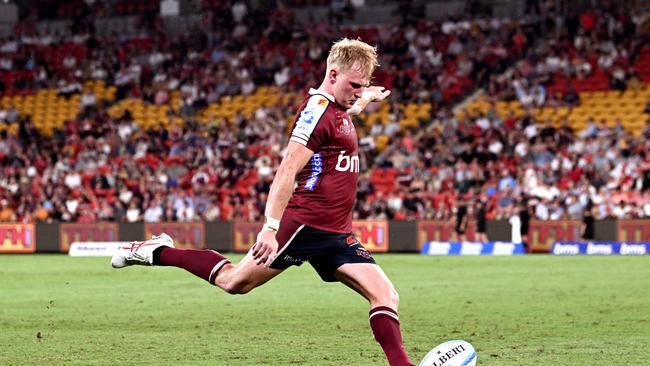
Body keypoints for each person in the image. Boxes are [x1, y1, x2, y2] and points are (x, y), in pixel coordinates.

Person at [111, 38, 413, 366]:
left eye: (363, 85)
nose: (357, 91)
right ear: (333, 74)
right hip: (304, 225)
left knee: (385, 295)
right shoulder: (316, 113)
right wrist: (270, 227)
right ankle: (156, 251)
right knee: (234, 282)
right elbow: (286, 169)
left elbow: (348, 110)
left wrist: (365, 96)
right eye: (354, 84)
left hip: (337, 232)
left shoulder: (339, 108)